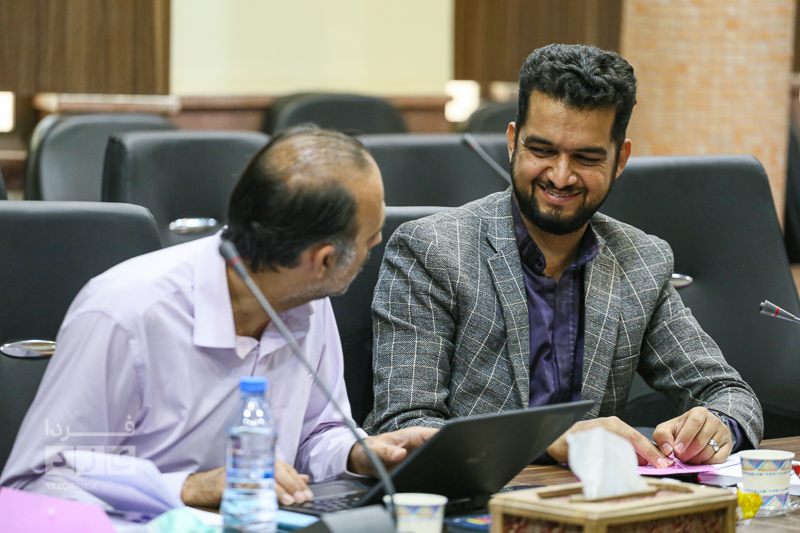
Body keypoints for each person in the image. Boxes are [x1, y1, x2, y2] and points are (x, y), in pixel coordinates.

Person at [365, 44, 763, 467]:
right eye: (542, 151)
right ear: (513, 142)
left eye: (586, 158)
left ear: (620, 160)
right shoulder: (432, 250)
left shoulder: (641, 261)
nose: (560, 176)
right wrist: (548, 440)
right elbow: (402, 426)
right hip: (476, 497)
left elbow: (730, 394)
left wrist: (717, 425)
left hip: (597, 499)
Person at [0, 125, 435, 511]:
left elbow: (315, 433)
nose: (377, 241)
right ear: (322, 260)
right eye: (371, 237)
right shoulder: (127, 314)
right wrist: (188, 488)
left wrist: (360, 454)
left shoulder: (306, 297)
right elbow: (36, 484)